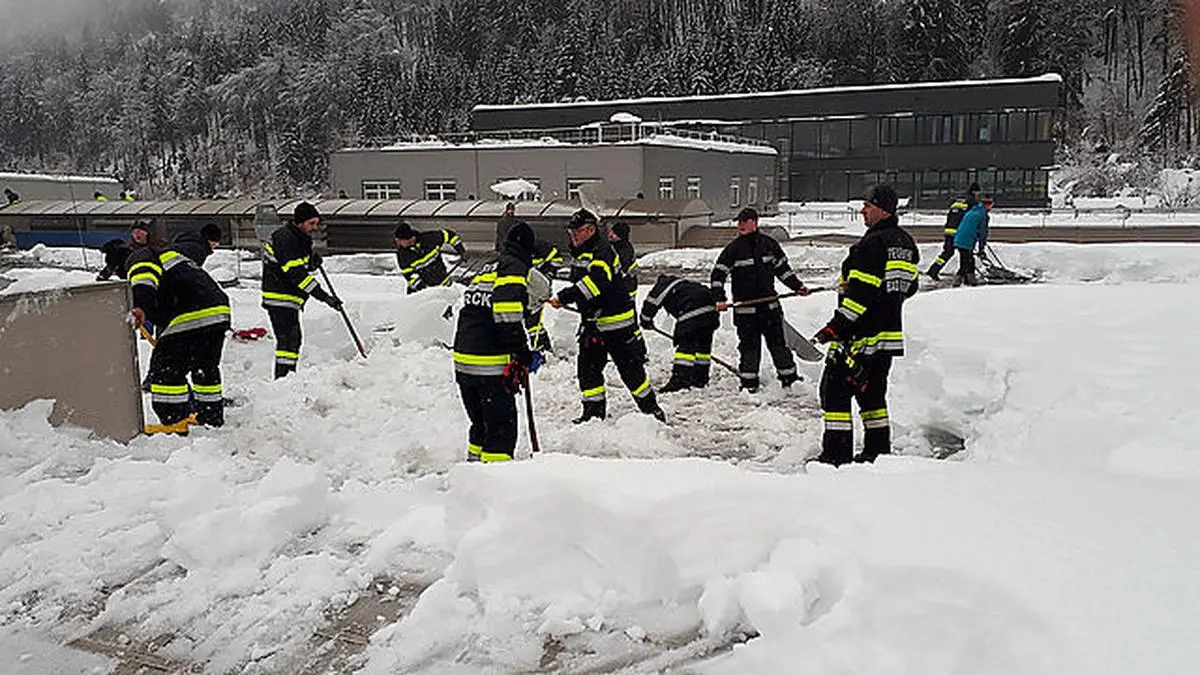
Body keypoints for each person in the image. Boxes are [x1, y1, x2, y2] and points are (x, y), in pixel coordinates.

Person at [813, 185, 919, 466]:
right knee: (873, 396)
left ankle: (836, 456)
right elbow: (910, 288)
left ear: (883, 209)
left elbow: (860, 296)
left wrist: (835, 327)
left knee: (835, 393)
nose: (863, 210)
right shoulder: (906, 244)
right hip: (888, 338)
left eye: (867, 206)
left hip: (859, 338)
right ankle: (878, 453)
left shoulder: (870, 246)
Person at [548, 208, 665, 423]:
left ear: (590, 230)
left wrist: (565, 296)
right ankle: (593, 416)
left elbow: (595, 284)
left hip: (616, 324)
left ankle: (652, 412)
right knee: (588, 370)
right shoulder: (582, 252)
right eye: (570, 232)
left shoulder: (603, 252)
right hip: (593, 324)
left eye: (577, 232)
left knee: (630, 371)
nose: (572, 236)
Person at [105, 238, 231, 429]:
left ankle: (174, 421)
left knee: (165, 368)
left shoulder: (137, 258)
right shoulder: (163, 254)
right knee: (205, 367)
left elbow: (144, 280)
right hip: (217, 310)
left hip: (190, 312)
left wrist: (140, 306)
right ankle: (210, 417)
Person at [453, 220, 540, 463]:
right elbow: (507, 314)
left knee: (480, 423)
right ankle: (495, 483)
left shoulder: (490, 265)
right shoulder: (514, 267)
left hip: (464, 361)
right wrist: (522, 353)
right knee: (501, 426)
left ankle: (473, 470)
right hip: (488, 364)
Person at [709, 207, 810, 392]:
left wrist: (797, 286)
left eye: (744, 221)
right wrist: (719, 299)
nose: (741, 225)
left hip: (769, 308)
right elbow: (717, 276)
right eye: (739, 222)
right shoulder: (733, 250)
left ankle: (790, 380)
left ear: (754, 222)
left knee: (779, 346)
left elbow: (783, 271)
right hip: (746, 312)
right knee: (749, 349)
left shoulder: (769, 245)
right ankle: (749, 385)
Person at [261, 202, 343, 378]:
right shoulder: (286, 239)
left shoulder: (299, 238)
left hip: (289, 297)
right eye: (311, 223)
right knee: (288, 341)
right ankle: (283, 380)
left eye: (316, 223)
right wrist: (325, 297)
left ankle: (287, 378)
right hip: (279, 297)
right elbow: (297, 275)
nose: (315, 227)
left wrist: (310, 262)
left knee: (292, 341)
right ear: (300, 222)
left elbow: (300, 266)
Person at [640, 274, 720, 392]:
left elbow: (651, 303)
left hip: (692, 311)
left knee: (686, 348)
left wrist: (645, 320)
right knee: (703, 347)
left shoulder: (663, 286)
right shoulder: (685, 285)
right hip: (710, 312)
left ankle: (680, 380)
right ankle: (700, 378)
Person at [926, 183, 979, 280]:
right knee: (966, 253)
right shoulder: (972, 202)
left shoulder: (957, 200)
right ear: (974, 192)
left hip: (948, 230)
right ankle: (965, 275)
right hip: (960, 231)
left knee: (947, 252)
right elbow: (970, 218)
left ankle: (934, 270)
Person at [394, 221, 466, 293]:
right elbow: (409, 274)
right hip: (424, 292)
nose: (398, 243)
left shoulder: (429, 239)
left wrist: (461, 250)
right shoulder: (402, 255)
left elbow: (449, 235)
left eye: (400, 240)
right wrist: (422, 287)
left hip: (444, 282)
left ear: (410, 238)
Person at [526, 239, 564, 352]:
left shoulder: (539, 248)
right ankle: (541, 346)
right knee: (530, 318)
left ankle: (542, 347)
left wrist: (548, 274)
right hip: (529, 284)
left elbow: (556, 259)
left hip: (539, 285)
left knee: (533, 318)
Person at [953, 196, 992, 286]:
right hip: (966, 240)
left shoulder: (973, 211)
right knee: (967, 262)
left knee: (967, 260)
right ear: (988, 205)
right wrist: (981, 248)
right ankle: (959, 281)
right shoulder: (983, 215)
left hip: (959, 238)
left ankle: (969, 280)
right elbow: (983, 232)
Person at [607, 221, 638, 300]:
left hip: (624, 289)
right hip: (625, 287)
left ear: (620, 236)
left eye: (613, 233)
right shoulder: (617, 246)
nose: (610, 234)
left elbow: (619, 269)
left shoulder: (624, 250)